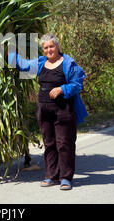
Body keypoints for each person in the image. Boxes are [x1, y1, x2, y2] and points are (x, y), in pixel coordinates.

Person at [8, 33, 88, 190]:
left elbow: (78, 83)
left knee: (64, 143)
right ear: (43, 50)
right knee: (49, 143)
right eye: (46, 48)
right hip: (44, 111)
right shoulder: (40, 62)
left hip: (64, 110)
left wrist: (62, 88)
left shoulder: (68, 63)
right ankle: (51, 176)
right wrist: (9, 50)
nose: (49, 50)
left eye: (51, 46)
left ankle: (65, 178)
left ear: (57, 46)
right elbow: (23, 65)